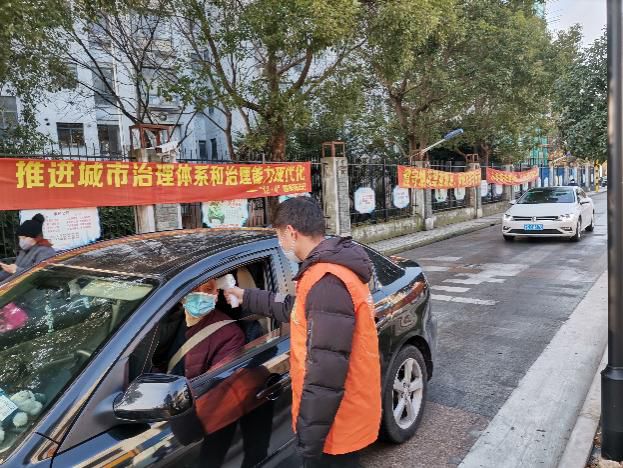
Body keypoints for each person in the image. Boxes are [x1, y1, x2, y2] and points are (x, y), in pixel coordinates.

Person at [225, 197, 381, 468]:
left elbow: (325, 374)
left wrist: (309, 443)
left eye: (278, 235)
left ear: (291, 232)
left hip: (337, 421)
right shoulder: (328, 271)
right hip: (342, 412)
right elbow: (296, 309)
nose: (280, 243)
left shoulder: (327, 281)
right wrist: (245, 295)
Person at [154, 279, 245, 379]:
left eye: (208, 289)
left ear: (216, 295)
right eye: (193, 289)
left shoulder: (230, 334)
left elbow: (213, 382)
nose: (201, 295)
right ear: (181, 296)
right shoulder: (163, 318)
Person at [0, 214, 55, 283]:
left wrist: (15, 270)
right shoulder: (25, 250)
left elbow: (39, 274)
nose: (21, 240)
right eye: (20, 238)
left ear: (34, 237)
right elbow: (11, 272)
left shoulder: (45, 251)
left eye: (23, 238)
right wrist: (9, 269)